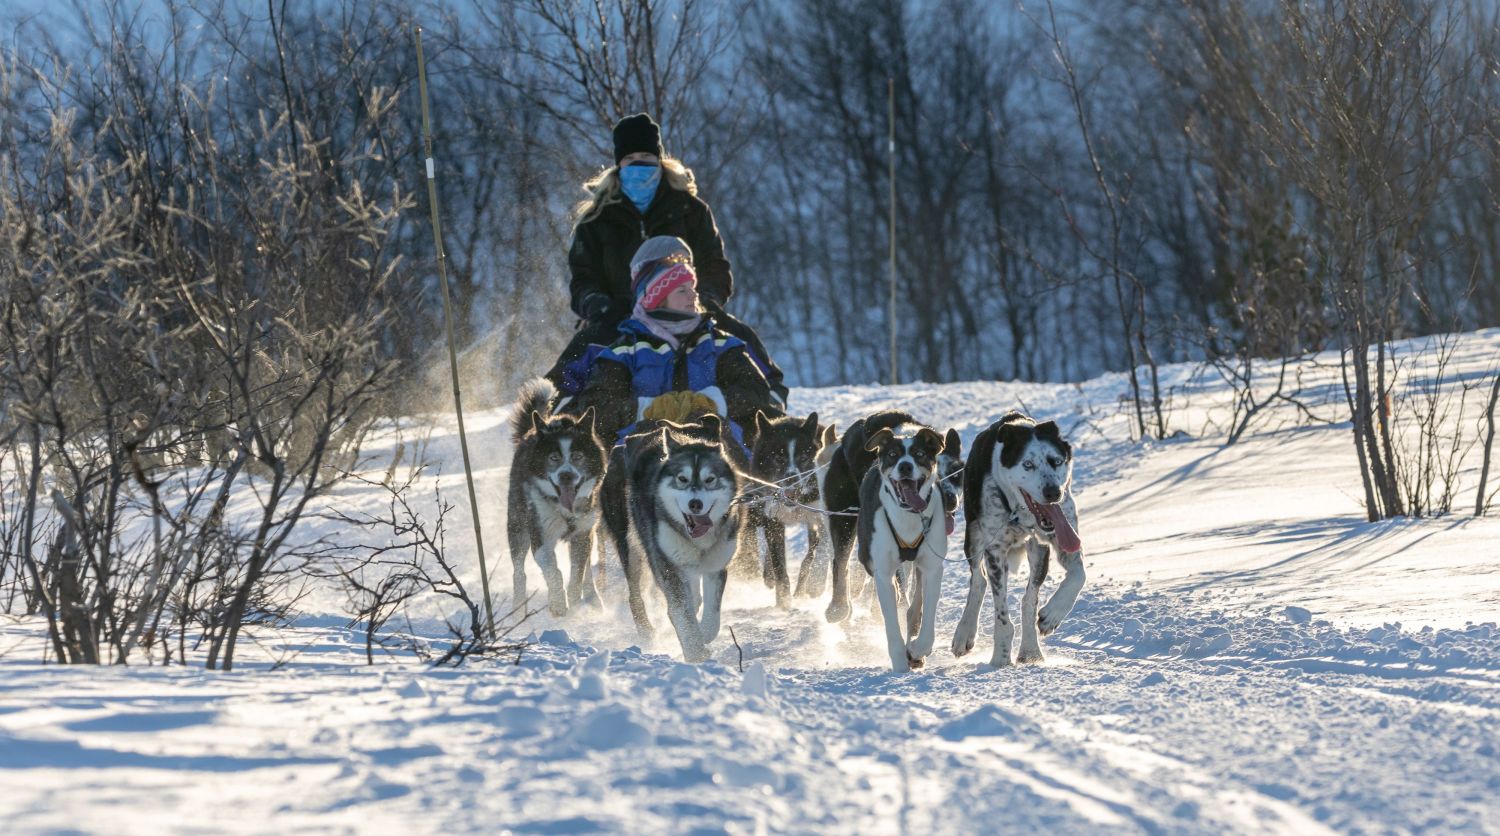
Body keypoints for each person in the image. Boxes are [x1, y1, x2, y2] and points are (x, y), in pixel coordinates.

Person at [545, 112, 789, 406]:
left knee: (736, 333)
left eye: (646, 156)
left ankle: (770, 400)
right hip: (619, 313)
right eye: (631, 157)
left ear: (660, 160)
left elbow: (715, 263)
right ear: (618, 163)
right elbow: (583, 278)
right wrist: (597, 304)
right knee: (586, 345)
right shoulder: (596, 219)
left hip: (686, 306)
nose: (639, 164)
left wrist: (707, 297)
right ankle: (555, 412)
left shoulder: (690, 210)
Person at [572, 236, 777, 448]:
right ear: (656, 297)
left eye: (692, 287)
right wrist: (647, 409)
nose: (693, 295)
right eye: (682, 290)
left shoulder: (720, 344)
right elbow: (596, 408)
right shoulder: (624, 352)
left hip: (719, 458)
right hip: (645, 459)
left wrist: (711, 403)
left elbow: (756, 390)